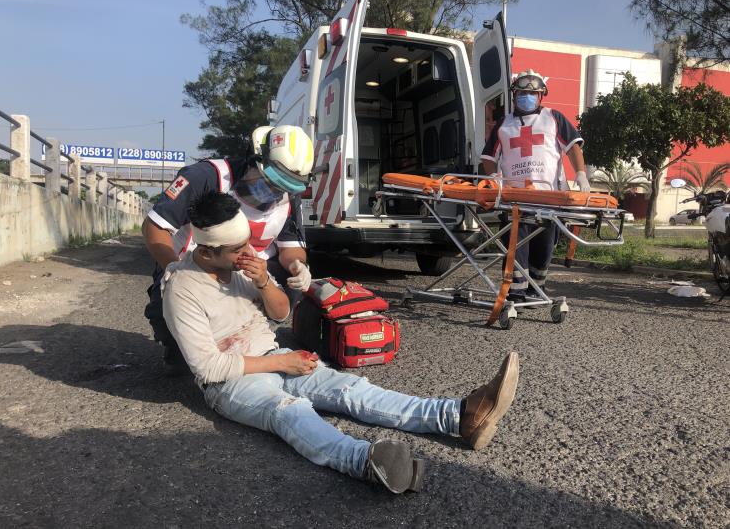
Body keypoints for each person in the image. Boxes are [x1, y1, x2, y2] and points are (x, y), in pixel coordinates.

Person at [162, 191, 520, 494]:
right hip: (230, 382)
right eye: (237, 249)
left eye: (248, 246)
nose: (248, 254)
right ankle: (365, 462)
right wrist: (281, 364)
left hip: (274, 354)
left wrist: (264, 283)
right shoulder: (181, 288)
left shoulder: (243, 266)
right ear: (206, 252)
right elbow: (208, 367)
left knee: (351, 388)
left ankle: (460, 416)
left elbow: (280, 313)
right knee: (288, 410)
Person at [143, 125, 314, 375]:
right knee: (184, 362)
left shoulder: (288, 197)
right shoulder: (206, 177)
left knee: (285, 284)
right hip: (196, 270)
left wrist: (297, 266)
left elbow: (291, 249)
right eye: (269, 182)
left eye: (283, 188)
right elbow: (155, 227)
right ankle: (177, 342)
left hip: (247, 274)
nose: (274, 193)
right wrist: (175, 270)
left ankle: (257, 339)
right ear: (253, 159)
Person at [480, 69, 590, 301]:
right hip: (514, 198)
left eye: (532, 93)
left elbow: (572, 147)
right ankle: (515, 292)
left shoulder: (553, 118)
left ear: (541, 96)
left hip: (548, 197)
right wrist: (492, 180)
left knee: (544, 247)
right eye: (521, 92)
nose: (526, 96)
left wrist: (580, 174)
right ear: (514, 94)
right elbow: (488, 158)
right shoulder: (504, 124)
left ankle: (536, 289)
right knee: (515, 245)